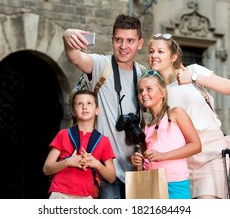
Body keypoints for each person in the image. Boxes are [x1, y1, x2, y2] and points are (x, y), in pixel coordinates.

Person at [62, 14, 145, 199]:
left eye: (130, 41)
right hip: (105, 169)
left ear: (140, 44)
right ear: (112, 41)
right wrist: (67, 36)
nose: (123, 46)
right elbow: (75, 56)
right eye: (119, 40)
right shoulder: (101, 65)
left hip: (136, 169)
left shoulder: (143, 74)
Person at [147, 33, 230, 199]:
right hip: (182, 159)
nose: (154, 55)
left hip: (211, 153)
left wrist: (194, 78)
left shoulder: (193, 70)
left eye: (160, 51)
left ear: (174, 56)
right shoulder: (155, 89)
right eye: (151, 51)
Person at [130, 69, 201, 199]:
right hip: (152, 184)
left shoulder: (176, 114)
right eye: (141, 90)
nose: (143, 94)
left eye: (149, 89)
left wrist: (163, 156)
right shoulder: (145, 127)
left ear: (162, 92)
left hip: (176, 184)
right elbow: (149, 161)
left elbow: (196, 145)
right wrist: (139, 162)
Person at [43, 90, 116, 199]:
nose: (84, 107)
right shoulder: (63, 134)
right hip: (59, 193)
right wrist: (67, 162)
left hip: (86, 196)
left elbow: (112, 177)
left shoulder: (103, 141)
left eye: (89, 103)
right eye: (79, 104)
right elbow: (46, 169)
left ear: (97, 110)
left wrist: (97, 164)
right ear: (73, 112)